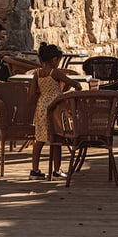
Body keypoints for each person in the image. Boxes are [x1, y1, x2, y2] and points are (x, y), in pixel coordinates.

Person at [29, 41, 83, 179]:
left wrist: (43, 94)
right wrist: (67, 92)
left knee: (40, 139)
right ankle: (57, 170)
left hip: (42, 107)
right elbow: (76, 84)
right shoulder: (55, 72)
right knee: (57, 138)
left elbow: (31, 95)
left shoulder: (37, 74)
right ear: (54, 60)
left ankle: (34, 170)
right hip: (56, 107)